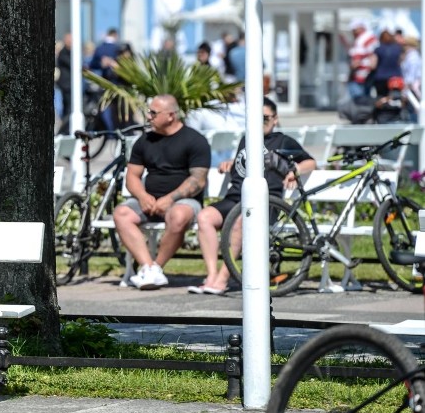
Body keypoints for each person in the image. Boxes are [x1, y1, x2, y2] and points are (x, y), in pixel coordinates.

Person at [190, 98, 316, 295]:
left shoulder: (283, 140)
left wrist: (295, 170)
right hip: (235, 198)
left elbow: (310, 161)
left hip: (264, 201)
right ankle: (212, 275)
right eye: (256, 118)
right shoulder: (246, 138)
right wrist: (230, 163)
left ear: (275, 119)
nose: (261, 122)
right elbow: (246, 161)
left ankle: (223, 279)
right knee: (205, 217)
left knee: (241, 222)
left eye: (265, 118)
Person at [115, 94, 211, 289]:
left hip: (183, 201)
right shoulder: (144, 141)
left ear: (170, 115)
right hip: (148, 201)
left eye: (153, 112)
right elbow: (132, 176)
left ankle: (157, 267)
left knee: (178, 214)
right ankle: (148, 267)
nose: (148, 116)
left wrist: (170, 198)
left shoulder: (195, 140)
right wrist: (142, 197)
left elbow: (198, 180)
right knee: (121, 213)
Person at [344, 19, 378, 99]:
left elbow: (356, 62)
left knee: (358, 103)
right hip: (369, 76)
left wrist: (350, 72)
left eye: (354, 30)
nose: (353, 33)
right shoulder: (372, 38)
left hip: (359, 78)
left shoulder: (361, 40)